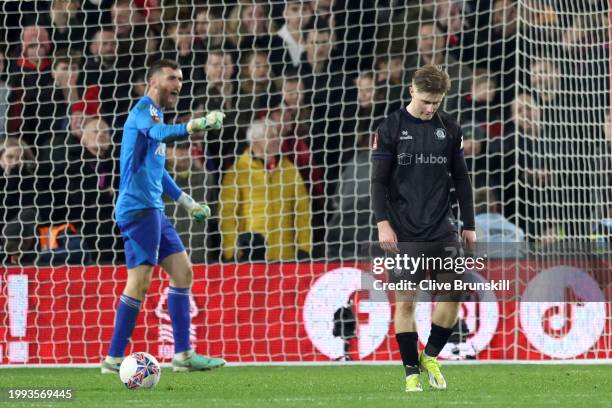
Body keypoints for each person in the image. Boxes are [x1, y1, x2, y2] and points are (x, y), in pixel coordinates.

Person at [101, 59, 226, 374]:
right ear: (153, 81)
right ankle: (114, 359)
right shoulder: (143, 112)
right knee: (139, 281)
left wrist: (187, 202)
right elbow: (160, 134)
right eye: (172, 78)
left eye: (181, 79)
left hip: (154, 209)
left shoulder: (157, 114)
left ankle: (183, 356)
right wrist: (194, 125)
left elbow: (158, 172)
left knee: (182, 271)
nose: (178, 84)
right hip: (138, 209)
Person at [371, 65, 476, 392]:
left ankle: (430, 355)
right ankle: (410, 374)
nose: (431, 108)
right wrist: (382, 222)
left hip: (442, 228)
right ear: (412, 92)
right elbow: (378, 181)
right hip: (403, 231)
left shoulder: (451, 128)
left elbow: (461, 178)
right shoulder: (390, 127)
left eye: (437, 102)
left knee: (453, 295)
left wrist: (469, 224)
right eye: (427, 101)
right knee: (405, 302)